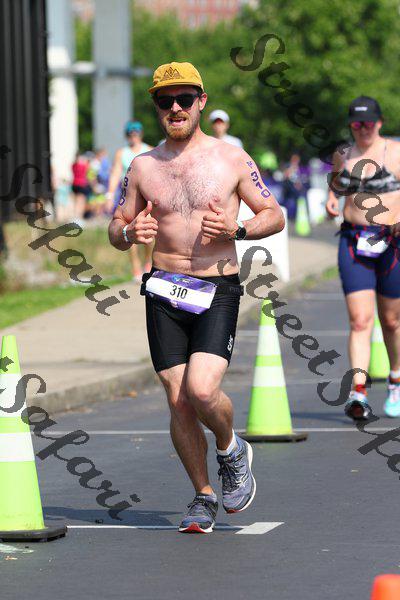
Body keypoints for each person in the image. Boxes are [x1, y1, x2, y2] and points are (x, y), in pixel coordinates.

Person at [109, 61, 284, 533]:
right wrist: (128, 232)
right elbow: (115, 225)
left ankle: (231, 447)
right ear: (156, 107)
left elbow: (274, 213)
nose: (175, 108)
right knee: (178, 399)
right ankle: (203, 495)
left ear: (201, 102)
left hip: (216, 286)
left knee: (202, 389)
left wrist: (239, 229)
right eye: (165, 101)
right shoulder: (143, 166)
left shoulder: (232, 159)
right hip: (164, 289)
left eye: (184, 99)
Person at [326, 96, 400, 420]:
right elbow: (335, 183)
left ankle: (396, 379)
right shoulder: (343, 154)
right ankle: (358, 392)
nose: (363, 129)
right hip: (354, 241)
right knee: (359, 320)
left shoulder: (395, 152)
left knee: (392, 321)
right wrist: (331, 198)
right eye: (357, 123)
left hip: (392, 242)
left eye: (368, 123)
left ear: (379, 123)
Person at [107, 121, 154, 282]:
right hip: (128, 196)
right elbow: (116, 173)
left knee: (148, 230)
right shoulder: (122, 153)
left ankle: (147, 262)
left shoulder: (149, 150)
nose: (134, 136)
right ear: (127, 136)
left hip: (146, 196)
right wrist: (109, 195)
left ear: (140, 134)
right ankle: (136, 268)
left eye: (136, 133)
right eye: (131, 134)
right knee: (128, 230)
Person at [71, 152, 91, 223]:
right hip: (81, 184)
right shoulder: (83, 165)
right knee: (81, 202)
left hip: (74, 184)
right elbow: (88, 169)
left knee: (76, 201)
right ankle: (79, 217)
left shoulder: (73, 165)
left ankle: (76, 216)